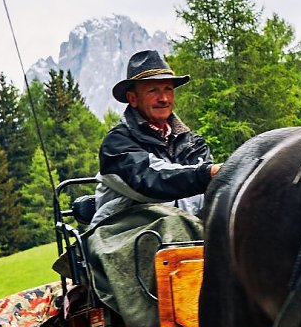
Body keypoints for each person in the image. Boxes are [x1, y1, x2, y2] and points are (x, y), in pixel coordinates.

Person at [91, 50, 222, 226]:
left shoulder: (194, 143)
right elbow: (150, 180)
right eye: (153, 91)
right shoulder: (116, 144)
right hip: (125, 238)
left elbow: (208, 195)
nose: (164, 98)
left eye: (168, 89)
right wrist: (207, 173)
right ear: (133, 99)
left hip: (188, 238)